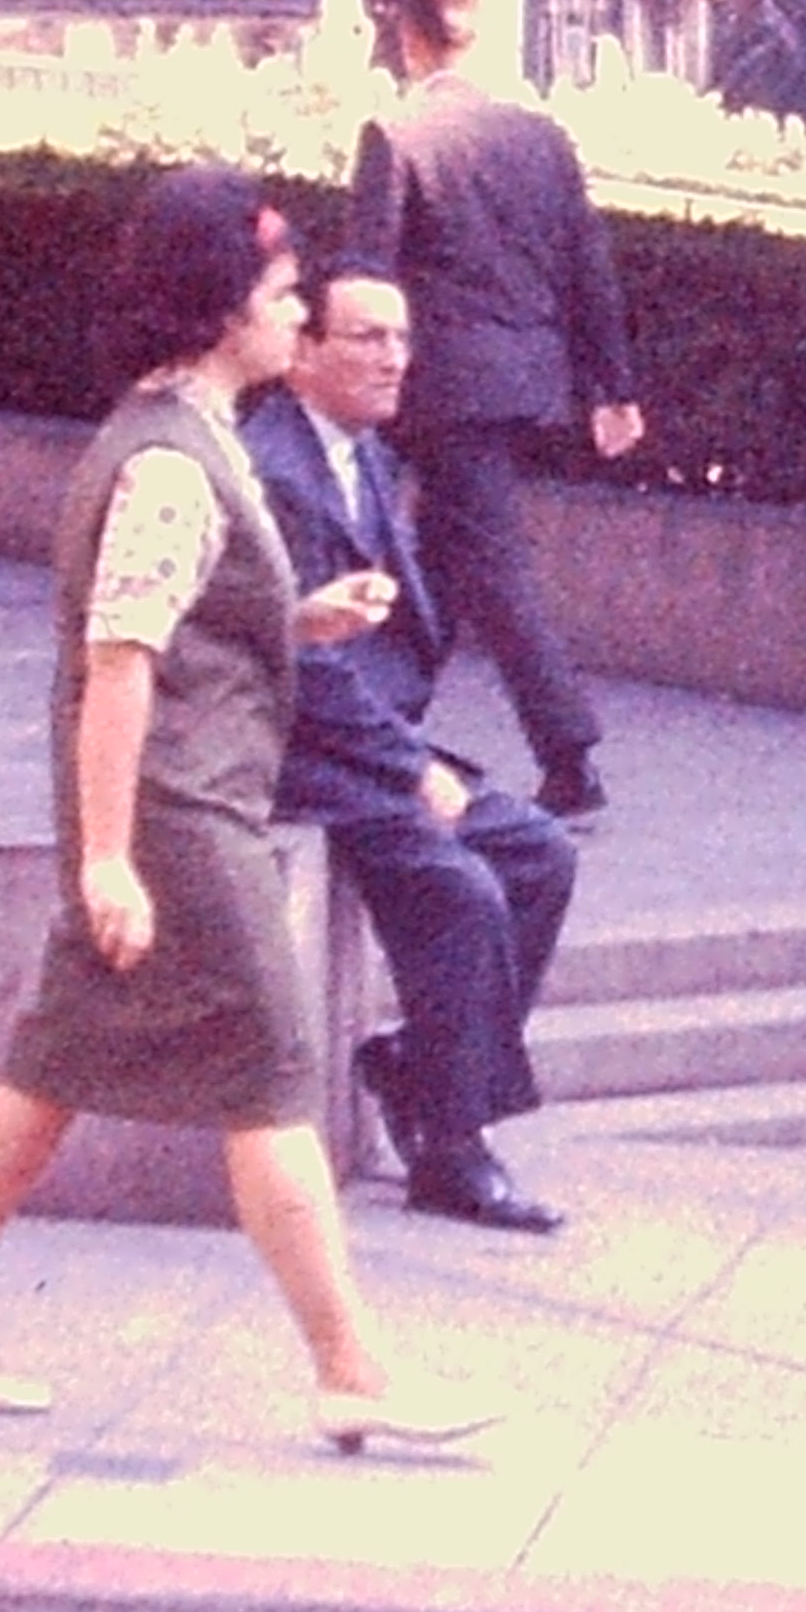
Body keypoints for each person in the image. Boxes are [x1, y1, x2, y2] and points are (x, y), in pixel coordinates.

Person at [0, 176, 486, 1451]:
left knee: (50, 1070)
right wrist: (109, 860)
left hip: (172, 814)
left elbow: (171, 632)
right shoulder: (172, 463)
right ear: (219, 310)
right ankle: (352, 1370)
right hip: (183, 824)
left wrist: (293, 621)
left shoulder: (176, 434)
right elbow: (120, 662)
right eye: (282, 295)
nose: (299, 313)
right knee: (274, 1080)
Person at [255, 267, 580, 1235]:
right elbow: (303, 662)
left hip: (371, 739)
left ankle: (414, 1065)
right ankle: (453, 1144)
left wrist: (408, 755)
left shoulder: (365, 455)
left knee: (539, 854)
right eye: (367, 338)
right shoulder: (276, 469)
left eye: (401, 338)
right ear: (303, 353)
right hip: (303, 751)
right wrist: (409, 768)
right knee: (461, 889)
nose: (395, 358)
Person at [344, 0, 644, 819]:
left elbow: (369, 271)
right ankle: (384, 726)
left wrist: (352, 371)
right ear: (478, 34)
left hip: (443, 389)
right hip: (531, 381)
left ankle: (570, 753)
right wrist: (612, 386)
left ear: (409, 38)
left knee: (491, 566)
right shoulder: (541, 136)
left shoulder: (395, 135)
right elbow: (589, 267)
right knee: (443, 559)